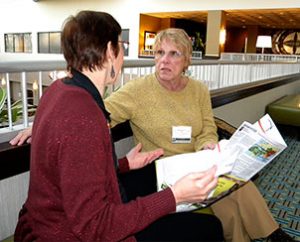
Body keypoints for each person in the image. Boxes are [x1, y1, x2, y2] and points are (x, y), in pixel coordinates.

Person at [10, 27, 295, 242]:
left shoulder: (197, 90)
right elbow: (95, 113)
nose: (164, 61)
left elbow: (207, 126)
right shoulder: (139, 91)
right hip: (162, 171)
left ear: (186, 61)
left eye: (173, 54)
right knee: (229, 192)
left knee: (234, 186)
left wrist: (207, 142)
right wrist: (43, 124)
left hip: (198, 161)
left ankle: (268, 234)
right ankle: (273, 234)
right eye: (159, 53)